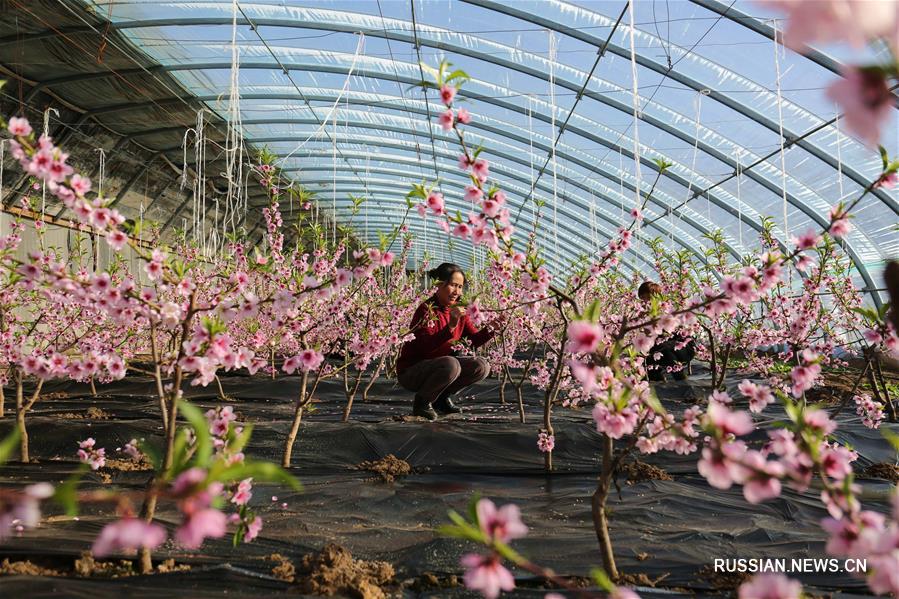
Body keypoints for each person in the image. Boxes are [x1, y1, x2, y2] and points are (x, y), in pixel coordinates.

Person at [397, 263, 497, 420]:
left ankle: (441, 398)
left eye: (460, 287)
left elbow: (472, 341)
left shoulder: (458, 311)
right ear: (439, 285)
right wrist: (450, 326)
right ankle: (423, 402)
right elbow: (425, 348)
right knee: (451, 364)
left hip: (442, 367)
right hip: (413, 371)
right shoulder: (426, 310)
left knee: (481, 366)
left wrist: (492, 328)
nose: (457, 292)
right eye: (453, 285)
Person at [637, 281, 695, 382]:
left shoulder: (668, 309)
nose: (645, 302)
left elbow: (673, 331)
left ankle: (685, 385)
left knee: (665, 351)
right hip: (664, 348)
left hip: (684, 348)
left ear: (655, 296)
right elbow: (649, 335)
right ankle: (657, 384)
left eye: (646, 298)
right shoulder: (649, 314)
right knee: (647, 359)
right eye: (642, 299)